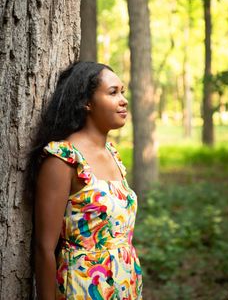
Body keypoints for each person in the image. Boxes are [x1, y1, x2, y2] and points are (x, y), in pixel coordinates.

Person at [26, 61, 143, 300]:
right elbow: (44, 248)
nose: (123, 100)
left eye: (123, 91)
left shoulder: (112, 153)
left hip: (125, 284)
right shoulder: (63, 158)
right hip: (84, 287)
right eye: (113, 92)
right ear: (86, 102)